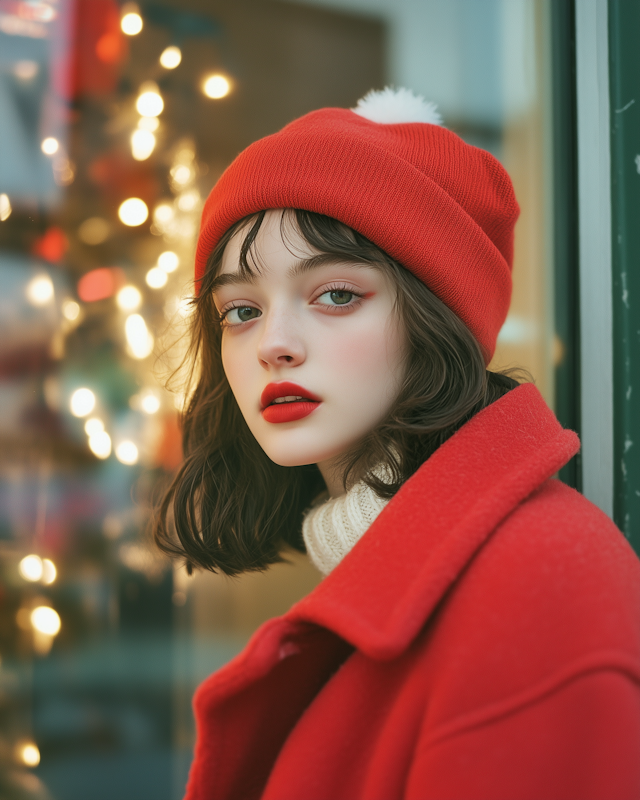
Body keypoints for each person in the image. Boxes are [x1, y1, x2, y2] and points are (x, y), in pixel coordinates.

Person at [155, 88, 640, 799]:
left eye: (338, 295)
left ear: (433, 319)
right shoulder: (433, 576)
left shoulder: (541, 591)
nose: (274, 345)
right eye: (241, 311)